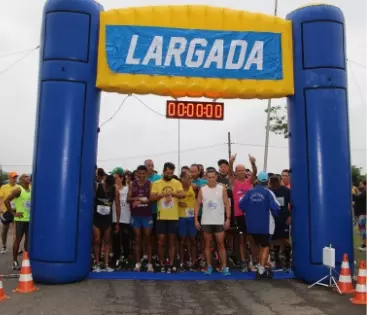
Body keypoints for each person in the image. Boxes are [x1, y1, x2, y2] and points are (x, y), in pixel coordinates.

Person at [239, 171, 280, 279]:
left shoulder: (250, 192)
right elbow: (276, 208)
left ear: (257, 181)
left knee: (259, 246)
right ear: (267, 181)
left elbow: (241, 205)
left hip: (252, 225)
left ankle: (259, 266)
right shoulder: (268, 193)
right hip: (265, 225)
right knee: (265, 246)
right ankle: (261, 270)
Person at [194, 168, 231, 276]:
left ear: (216, 177)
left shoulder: (222, 189)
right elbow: (197, 204)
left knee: (221, 244)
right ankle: (209, 266)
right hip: (206, 221)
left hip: (219, 221)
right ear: (206, 177)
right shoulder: (202, 189)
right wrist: (196, 219)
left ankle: (224, 267)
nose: (211, 179)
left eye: (213, 177)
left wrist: (228, 218)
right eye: (209, 177)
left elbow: (227, 204)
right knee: (207, 245)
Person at [150, 162, 185, 273]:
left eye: (171, 173)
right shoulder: (157, 183)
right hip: (161, 216)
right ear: (164, 171)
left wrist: (172, 194)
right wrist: (162, 195)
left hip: (173, 216)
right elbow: (151, 197)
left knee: (172, 241)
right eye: (167, 172)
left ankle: (171, 263)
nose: (169, 174)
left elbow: (182, 194)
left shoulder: (177, 182)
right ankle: (161, 263)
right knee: (161, 241)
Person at [228, 154, 257, 272]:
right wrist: (230, 163)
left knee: (252, 239)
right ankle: (244, 261)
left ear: (245, 171)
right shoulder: (234, 183)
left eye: (243, 170)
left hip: (250, 214)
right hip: (238, 215)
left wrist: (253, 163)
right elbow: (229, 173)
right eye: (238, 170)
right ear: (235, 172)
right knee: (242, 239)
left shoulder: (249, 181)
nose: (241, 172)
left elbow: (255, 172)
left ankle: (253, 261)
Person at [127, 165, 154, 272]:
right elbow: (128, 199)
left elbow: (152, 199)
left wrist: (142, 201)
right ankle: (137, 263)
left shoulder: (150, 184)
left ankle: (150, 263)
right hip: (136, 216)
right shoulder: (132, 184)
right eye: (140, 174)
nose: (142, 176)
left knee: (147, 238)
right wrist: (137, 198)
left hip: (147, 215)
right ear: (137, 173)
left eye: (144, 174)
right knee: (137, 238)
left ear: (147, 174)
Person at [93, 173, 120, 272]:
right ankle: (96, 263)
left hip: (107, 218)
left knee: (107, 240)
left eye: (110, 186)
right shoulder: (97, 187)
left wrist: (117, 222)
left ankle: (106, 263)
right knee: (97, 239)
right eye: (107, 185)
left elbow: (117, 206)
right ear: (105, 182)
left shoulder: (115, 190)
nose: (108, 187)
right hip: (97, 217)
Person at [4, 174, 31, 270]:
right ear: (21, 180)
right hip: (20, 220)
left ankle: (27, 260)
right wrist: (13, 213)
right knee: (18, 241)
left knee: (28, 241)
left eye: (28, 176)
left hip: (29, 220)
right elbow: (6, 200)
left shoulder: (31, 189)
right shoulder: (18, 190)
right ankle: (15, 261)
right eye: (25, 177)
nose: (27, 177)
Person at [268, 174, 291, 269]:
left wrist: (290, 216)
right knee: (274, 240)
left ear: (280, 180)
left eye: (276, 180)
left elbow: (292, 204)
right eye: (272, 181)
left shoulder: (286, 191)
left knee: (285, 240)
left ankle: (287, 258)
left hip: (284, 218)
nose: (274, 183)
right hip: (273, 219)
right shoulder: (269, 191)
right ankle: (276, 259)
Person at [111, 167, 131, 269]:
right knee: (115, 240)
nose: (114, 179)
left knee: (126, 240)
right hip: (114, 218)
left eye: (116, 177)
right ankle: (116, 257)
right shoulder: (111, 188)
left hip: (126, 218)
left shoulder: (127, 189)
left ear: (121, 177)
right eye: (113, 177)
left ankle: (126, 258)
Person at [178, 171, 197, 270]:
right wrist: (178, 204)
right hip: (181, 218)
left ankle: (193, 261)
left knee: (193, 240)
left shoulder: (194, 187)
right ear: (182, 179)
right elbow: (170, 199)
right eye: (188, 178)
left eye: (191, 178)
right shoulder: (177, 188)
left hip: (192, 217)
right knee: (182, 240)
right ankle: (181, 261)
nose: (190, 180)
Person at [144, 159, 162, 263]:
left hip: (157, 211)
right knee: (146, 235)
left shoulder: (159, 178)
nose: (150, 167)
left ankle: (155, 254)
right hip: (145, 212)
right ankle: (146, 254)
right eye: (148, 165)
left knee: (156, 235)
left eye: (152, 165)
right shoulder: (141, 178)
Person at [0, 172, 19, 254]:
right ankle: (4, 246)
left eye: (16, 177)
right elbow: (0, 198)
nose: (15, 179)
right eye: (13, 177)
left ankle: (16, 248)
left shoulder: (18, 187)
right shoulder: (4, 187)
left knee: (16, 231)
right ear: (9, 178)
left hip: (15, 211)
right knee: (5, 230)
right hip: (5, 211)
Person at [353, 180, 366, 252]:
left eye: (361, 185)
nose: (359, 186)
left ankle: (365, 245)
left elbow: (358, 197)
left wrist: (353, 192)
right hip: (361, 213)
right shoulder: (362, 192)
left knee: (363, 230)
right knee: (362, 229)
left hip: (363, 214)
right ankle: (364, 244)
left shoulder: (365, 192)